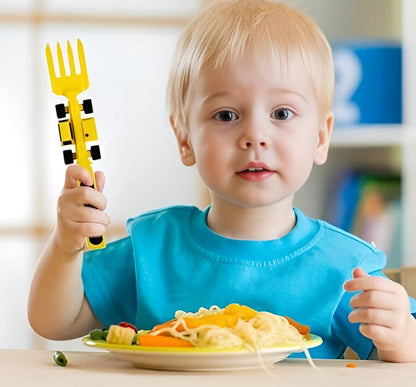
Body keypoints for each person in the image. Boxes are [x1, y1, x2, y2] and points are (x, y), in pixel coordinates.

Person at [28, 0, 416, 362]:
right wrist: (66, 245)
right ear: (185, 139)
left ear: (320, 137)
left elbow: (400, 360)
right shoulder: (151, 249)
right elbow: (54, 321)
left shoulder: (344, 267)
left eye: (281, 113)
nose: (255, 135)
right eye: (227, 115)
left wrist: (401, 337)